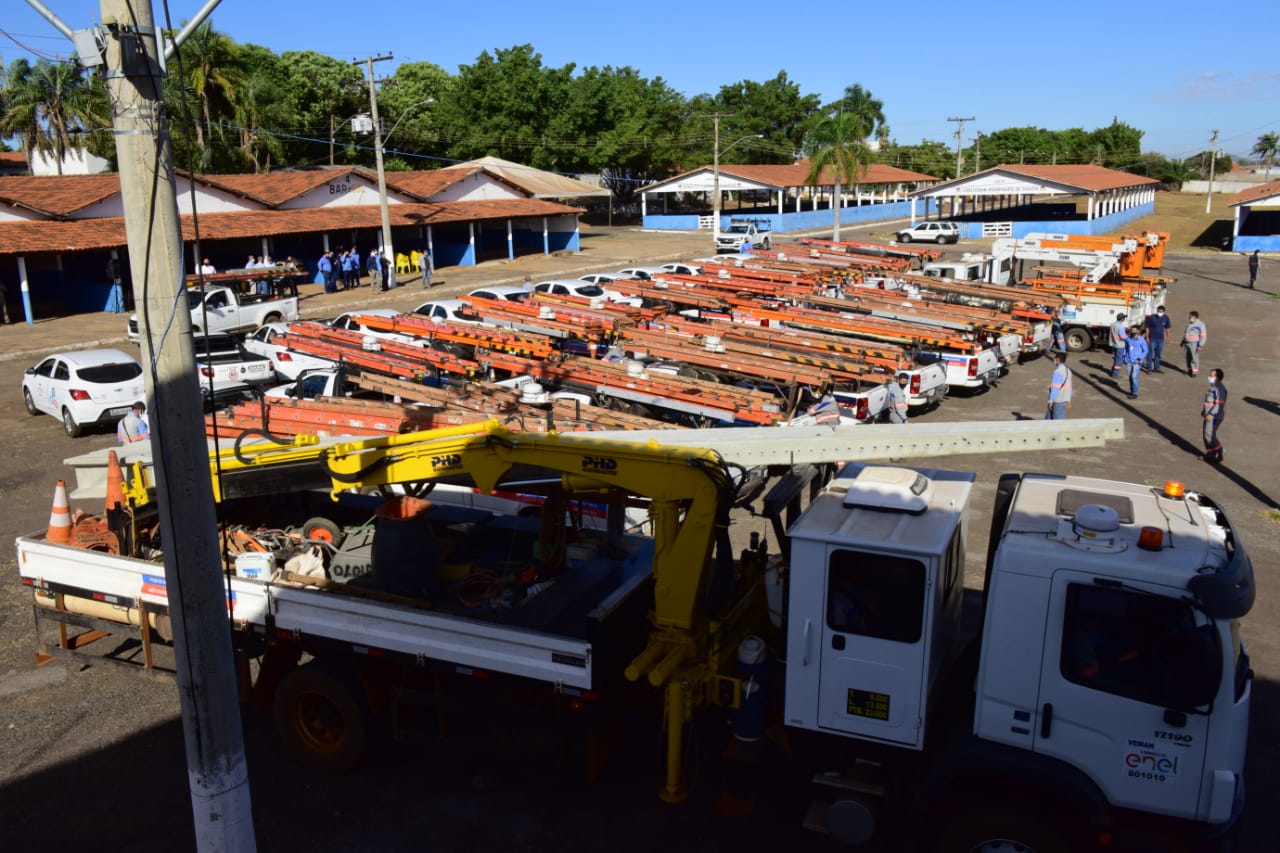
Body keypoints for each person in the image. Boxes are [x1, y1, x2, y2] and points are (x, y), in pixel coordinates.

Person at [1201, 368, 1227, 463]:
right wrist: (1204, 411)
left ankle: (1220, 450)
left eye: (1211, 376)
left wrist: (1211, 414)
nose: (1209, 377)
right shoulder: (1214, 387)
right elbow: (1209, 402)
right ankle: (1210, 454)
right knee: (1206, 435)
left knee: (1209, 435)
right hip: (1209, 415)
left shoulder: (1219, 388)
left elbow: (1219, 404)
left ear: (1217, 377)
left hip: (1215, 416)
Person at [1142, 306, 1170, 373]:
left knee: (1158, 354)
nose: (1159, 313)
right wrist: (1147, 337)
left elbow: (1167, 328)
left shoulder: (1166, 318)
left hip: (1160, 339)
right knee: (1150, 354)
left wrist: (1168, 337)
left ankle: (1157, 367)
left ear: (1164, 311)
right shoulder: (1152, 317)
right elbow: (1147, 328)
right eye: (1158, 311)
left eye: (1161, 311)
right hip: (1152, 339)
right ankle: (1149, 368)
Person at [1046, 352, 1073, 419]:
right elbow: (1070, 387)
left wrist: (1050, 401)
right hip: (1064, 399)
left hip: (1058, 401)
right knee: (1048, 419)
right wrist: (1069, 400)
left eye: (1055, 358)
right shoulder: (1068, 371)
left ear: (1057, 360)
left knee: (1058, 422)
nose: (1054, 360)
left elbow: (1055, 388)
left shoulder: (1057, 372)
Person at [1124, 326, 1148, 399]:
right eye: (1132, 330)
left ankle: (1135, 393)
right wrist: (1124, 356)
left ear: (1138, 331)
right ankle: (1132, 391)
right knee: (1130, 377)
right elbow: (1126, 347)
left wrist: (1139, 359)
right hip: (1129, 361)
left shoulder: (1141, 340)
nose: (1132, 332)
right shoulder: (1128, 339)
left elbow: (1145, 351)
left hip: (1136, 362)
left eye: (1134, 330)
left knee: (1134, 377)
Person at [1181, 310, 1207, 377]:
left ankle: (1194, 372)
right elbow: (1186, 333)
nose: (1189, 317)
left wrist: (1200, 345)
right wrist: (1183, 341)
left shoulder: (1201, 324)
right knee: (1188, 358)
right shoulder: (1189, 324)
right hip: (1187, 343)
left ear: (1194, 316)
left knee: (1194, 358)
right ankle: (1190, 370)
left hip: (1194, 344)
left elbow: (1203, 336)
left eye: (1190, 316)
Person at [1109, 313, 1127, 377]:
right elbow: (1123, 336)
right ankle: (1115, 373)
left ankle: (1113, 371)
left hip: (1114, 344)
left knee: (1116, 358)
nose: (1124, 319)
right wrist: (1128, 338)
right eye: (1124, 318)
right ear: (1122, 319)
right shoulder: (1121, 326)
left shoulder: (1112, 324)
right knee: (1119, 360)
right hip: (1120, 345)